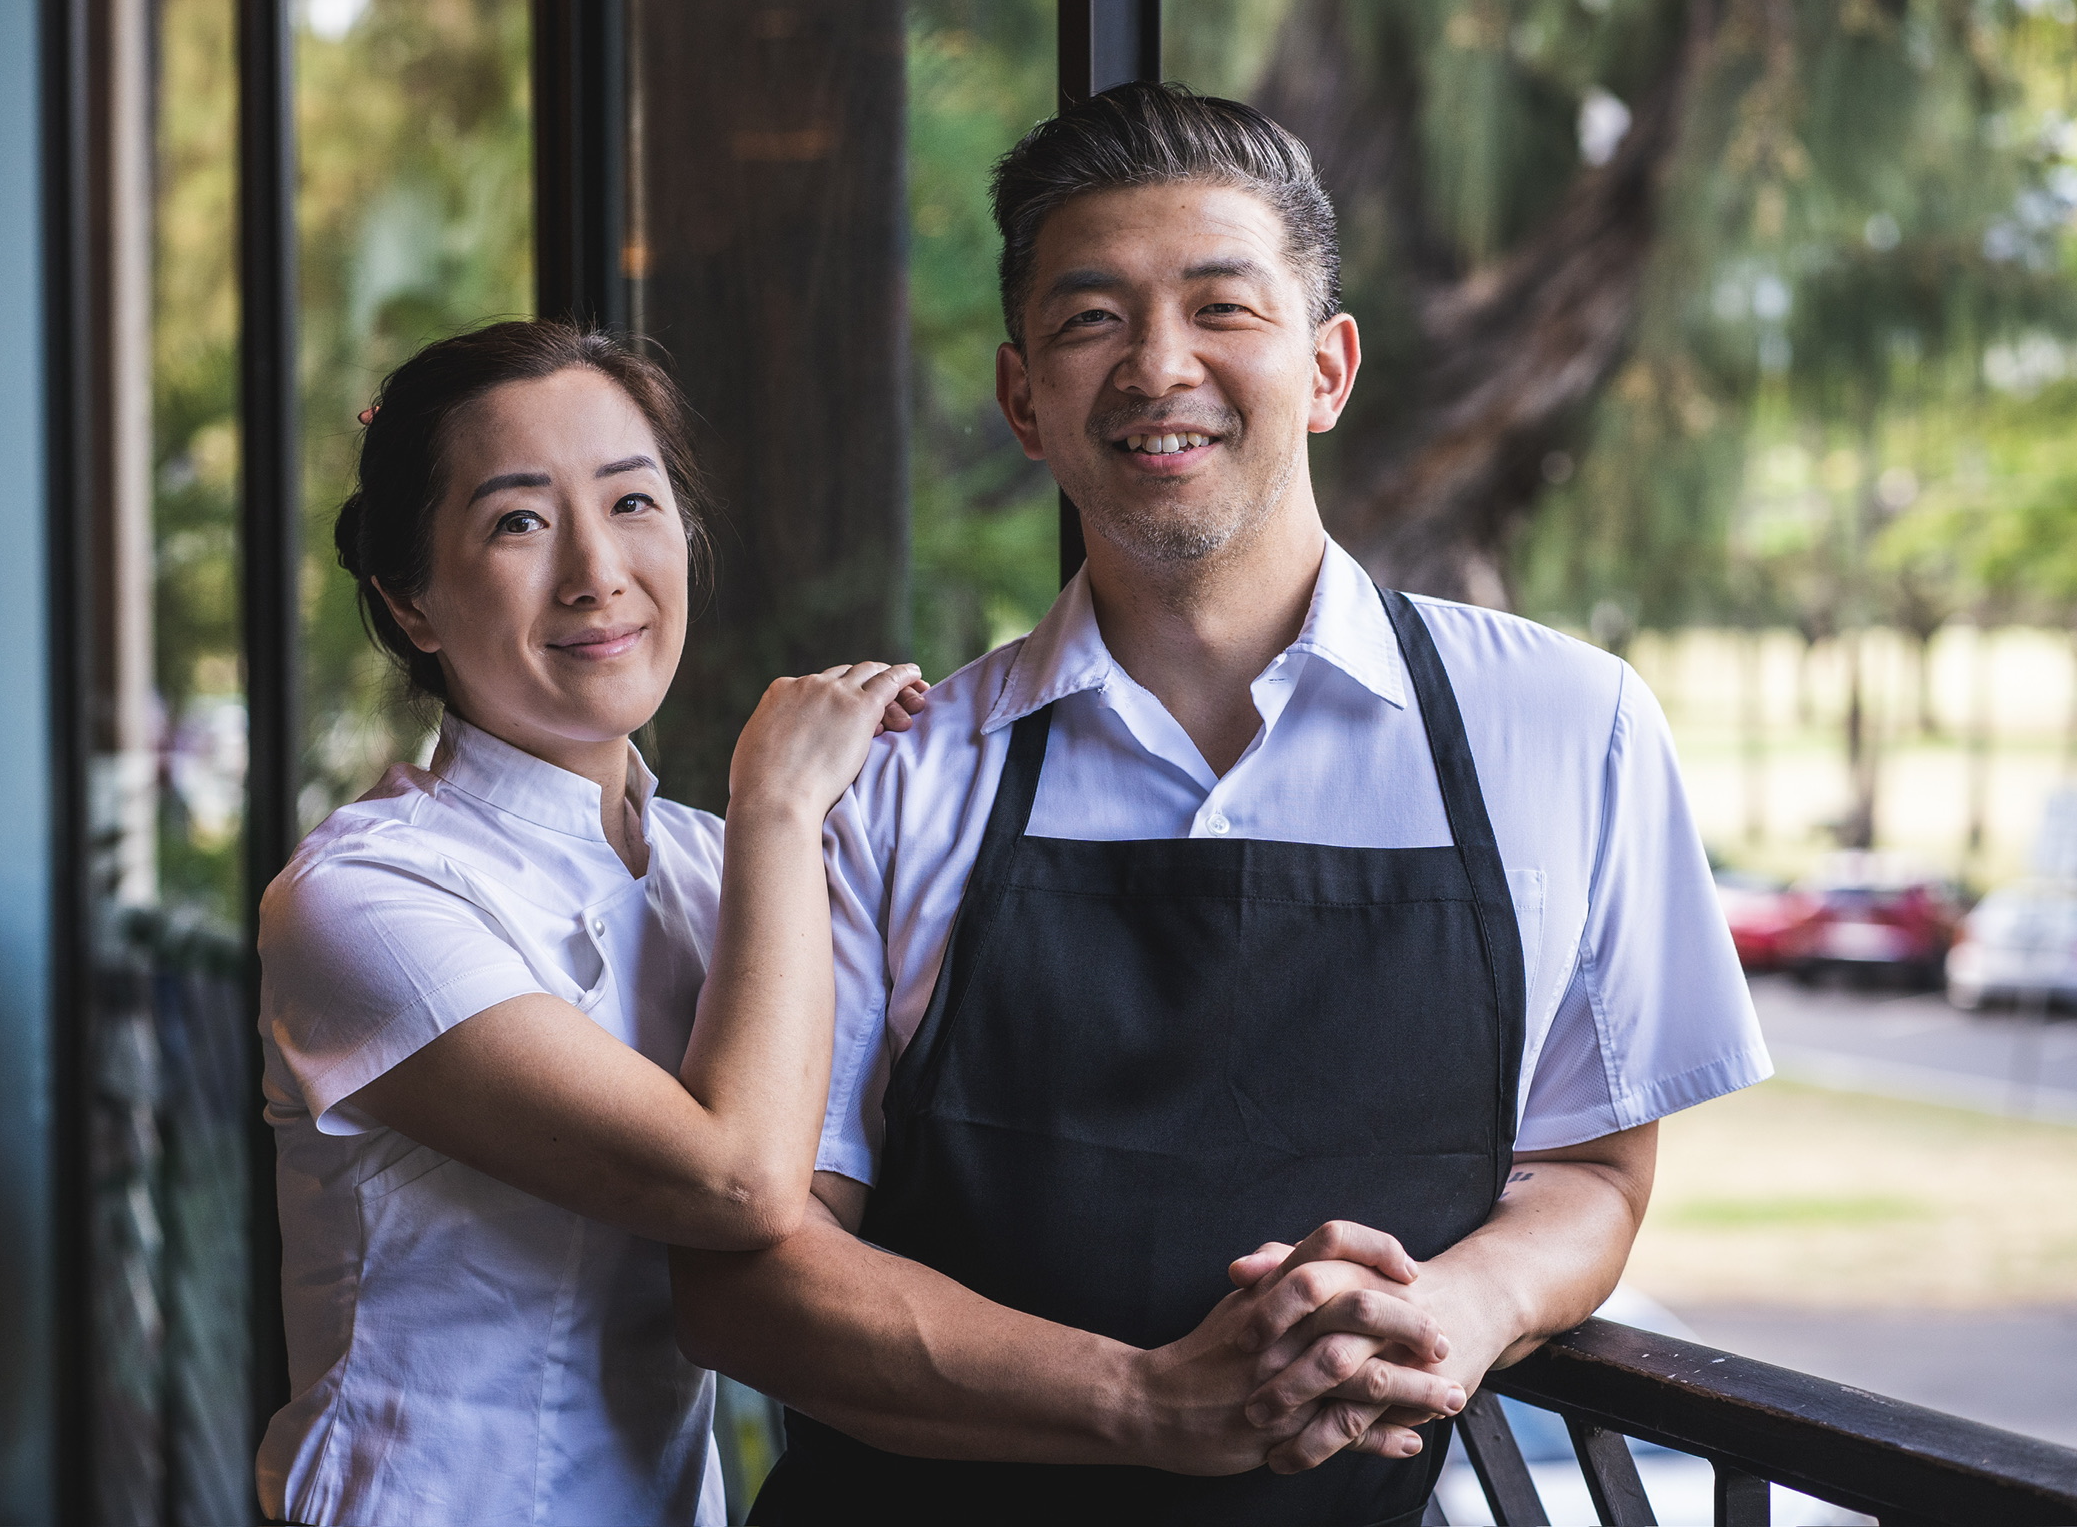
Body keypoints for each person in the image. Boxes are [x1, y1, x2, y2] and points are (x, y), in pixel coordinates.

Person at [672, 83, 1770, 1526]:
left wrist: (1452, 1309)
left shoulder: (1566, 728)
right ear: (1022, 401)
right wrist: (1140, 1404)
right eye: (1089, 322)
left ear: (1326, 367)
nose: (1157, 366)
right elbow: (752, 1280)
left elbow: (1591, 1165)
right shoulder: (894, 778)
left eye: (1221, 308)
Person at [253, 320, 925, 1527]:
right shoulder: (363, 897)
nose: (596, 573)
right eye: (518, 521)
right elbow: (735, 1186)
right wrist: (776, 799)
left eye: (631, 502)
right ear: (410, 601)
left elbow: (813, 1231)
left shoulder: (711, 873)